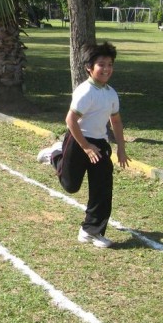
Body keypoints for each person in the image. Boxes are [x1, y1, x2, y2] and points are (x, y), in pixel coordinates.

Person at [48, 41, 128, 248]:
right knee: (71, 186)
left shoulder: (111, 93)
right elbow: (70, 120)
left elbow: (116, 121)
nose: (106, 69)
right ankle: (55, 154)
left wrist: (121, 148)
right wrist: (85, 146)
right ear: (89, 68)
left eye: (110, 64)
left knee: (103, 188)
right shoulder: (85, 91)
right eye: (101, 64)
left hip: (99, 144)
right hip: (78, 140)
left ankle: (90, 231)